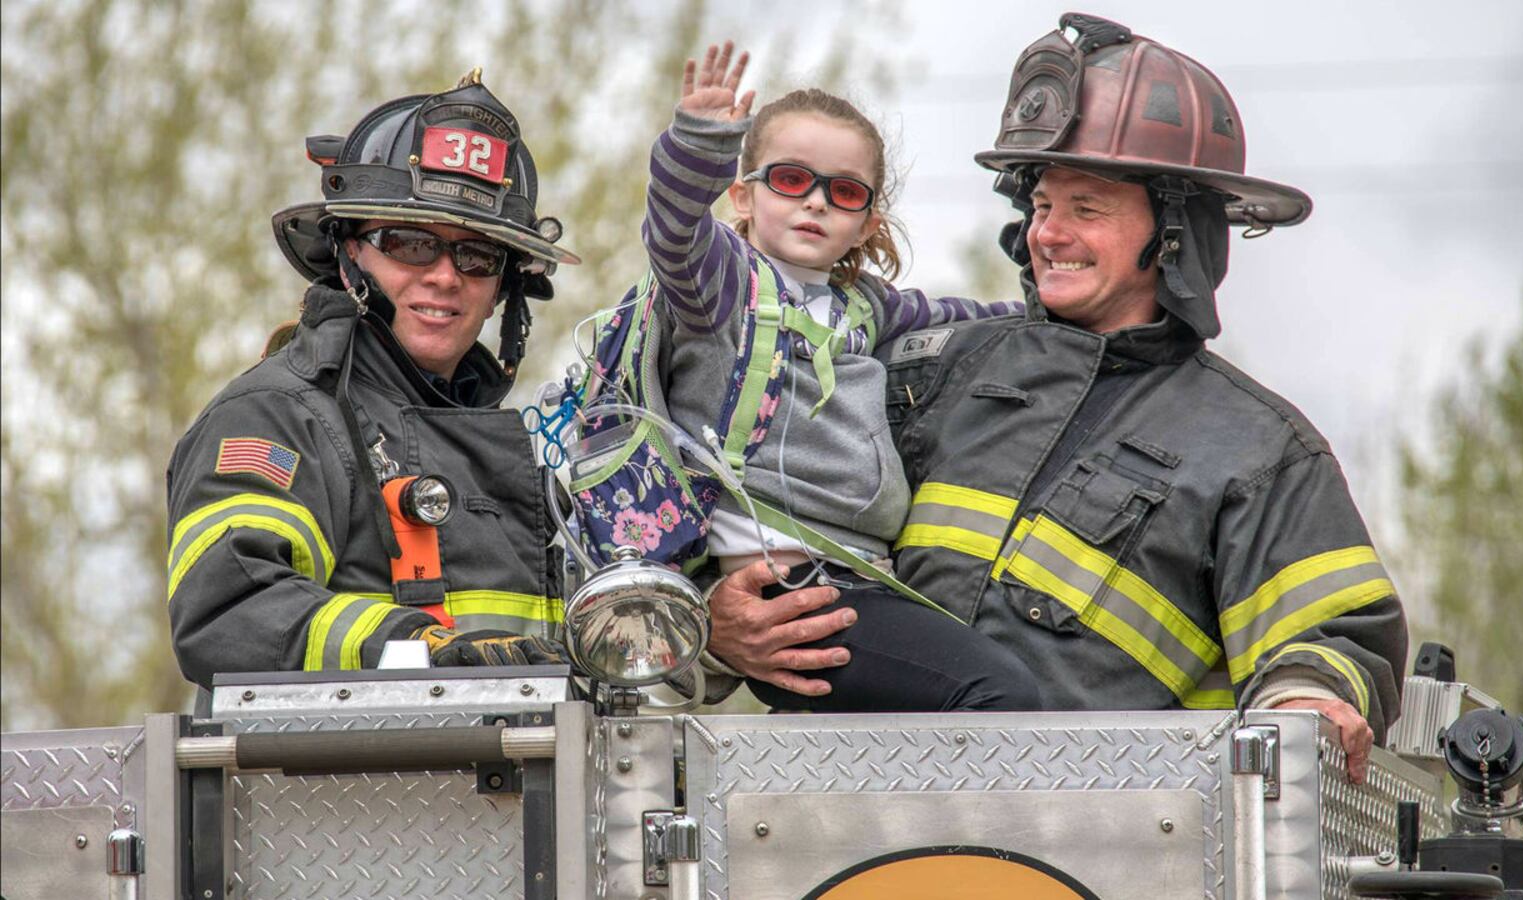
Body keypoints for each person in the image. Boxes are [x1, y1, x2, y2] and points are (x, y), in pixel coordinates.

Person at [703, 13, 1408, 780]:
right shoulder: (924, 371)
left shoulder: (1260, 449)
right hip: (849, 822)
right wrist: (717, 626)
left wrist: (1307, 699)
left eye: (1087, 209)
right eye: (1041, 205)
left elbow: (1339, 633)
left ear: (1173, 233)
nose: (1049, 234)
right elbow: (740, 487)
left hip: (1097, 849)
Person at [623, 42, 1037, 712]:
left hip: (861, 578)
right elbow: (674, 232)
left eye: (842, 191)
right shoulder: (721, 289)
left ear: (867, 221)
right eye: (790, 179)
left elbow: (974, 321)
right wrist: (696, 144)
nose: (815, 202)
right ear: (743, 195)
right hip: (791, 589)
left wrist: (1054, 305)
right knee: (1000, 695)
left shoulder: (865, 307)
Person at [166, 71, 576, 686]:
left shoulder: (534, 453)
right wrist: (421, 649)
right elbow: (229, 613)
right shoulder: (277, 416)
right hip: (340, 782)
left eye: (477, 255)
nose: (444, 276)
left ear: (504, 290)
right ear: (350, 253)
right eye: (409, 243)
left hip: (530, 775)